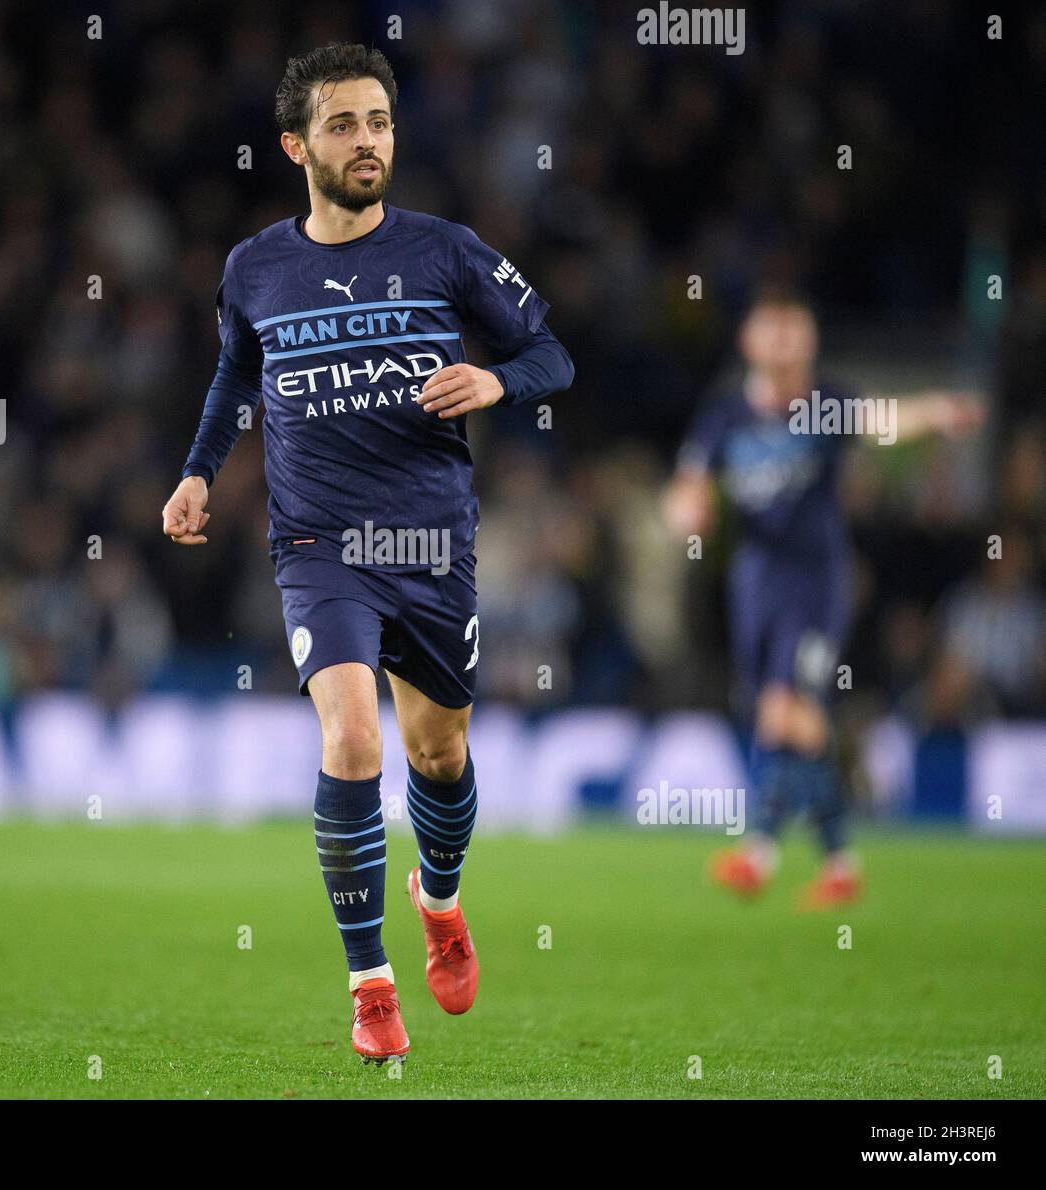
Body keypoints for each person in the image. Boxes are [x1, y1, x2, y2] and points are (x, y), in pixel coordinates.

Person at [163, 42, 573, 1062]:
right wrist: (197, 471)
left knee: (439, 751)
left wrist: (496, 384)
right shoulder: (255, 267)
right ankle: (370, 983)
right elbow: (233, 381)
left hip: (431, 539)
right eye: (344, 125)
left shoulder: (446, 251)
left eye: (380, 122)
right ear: (298, 144)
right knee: (351, 741)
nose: (366, 141)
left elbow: (551, 351)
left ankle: (439, 899)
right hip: (318, 544)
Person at [666, 291, 981, 909]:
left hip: (814, 580)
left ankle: (760, 851)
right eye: (773, 330)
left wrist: (939, 411)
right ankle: (838, 861)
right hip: (754, 582)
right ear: (750, 341)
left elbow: (885, 421)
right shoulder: (726, 415)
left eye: (795, 331)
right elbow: (687, 486)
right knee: (781, 717)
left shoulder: (825, 405)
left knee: (787, 709)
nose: (785, 343)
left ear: (809, 342)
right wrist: (686, 512)